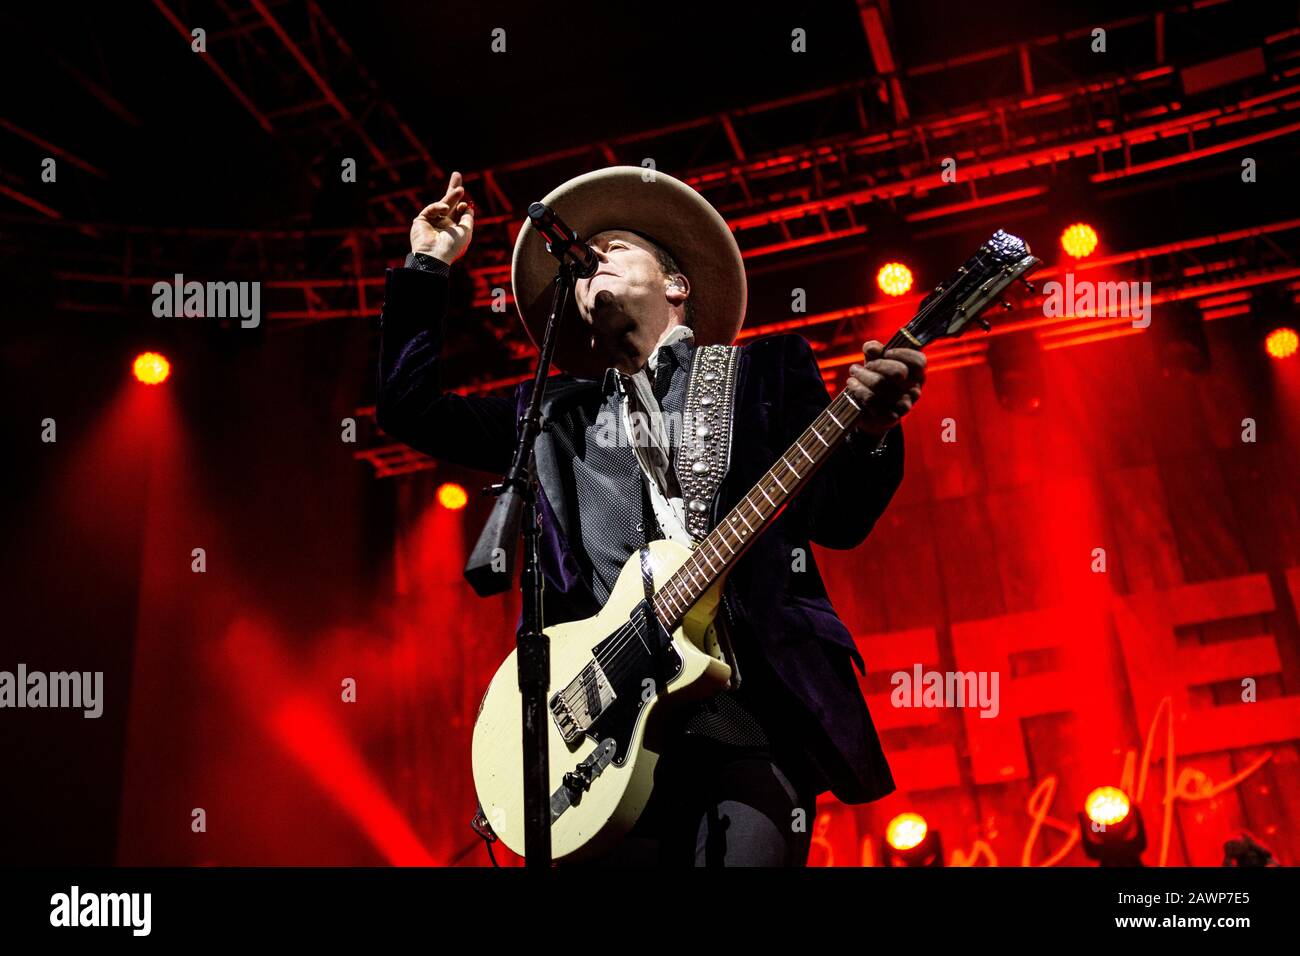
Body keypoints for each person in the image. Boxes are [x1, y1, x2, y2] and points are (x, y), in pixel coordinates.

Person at [376, 167, 927, 866]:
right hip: (604, 738)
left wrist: (871, 429)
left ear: (676, 287)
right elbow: (408, 408)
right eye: (583, 260)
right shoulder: (547, 414)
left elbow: (839, 519)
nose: (590, 259)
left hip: (746, 717)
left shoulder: (760, 375)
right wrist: (428, 263)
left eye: (616, 246)